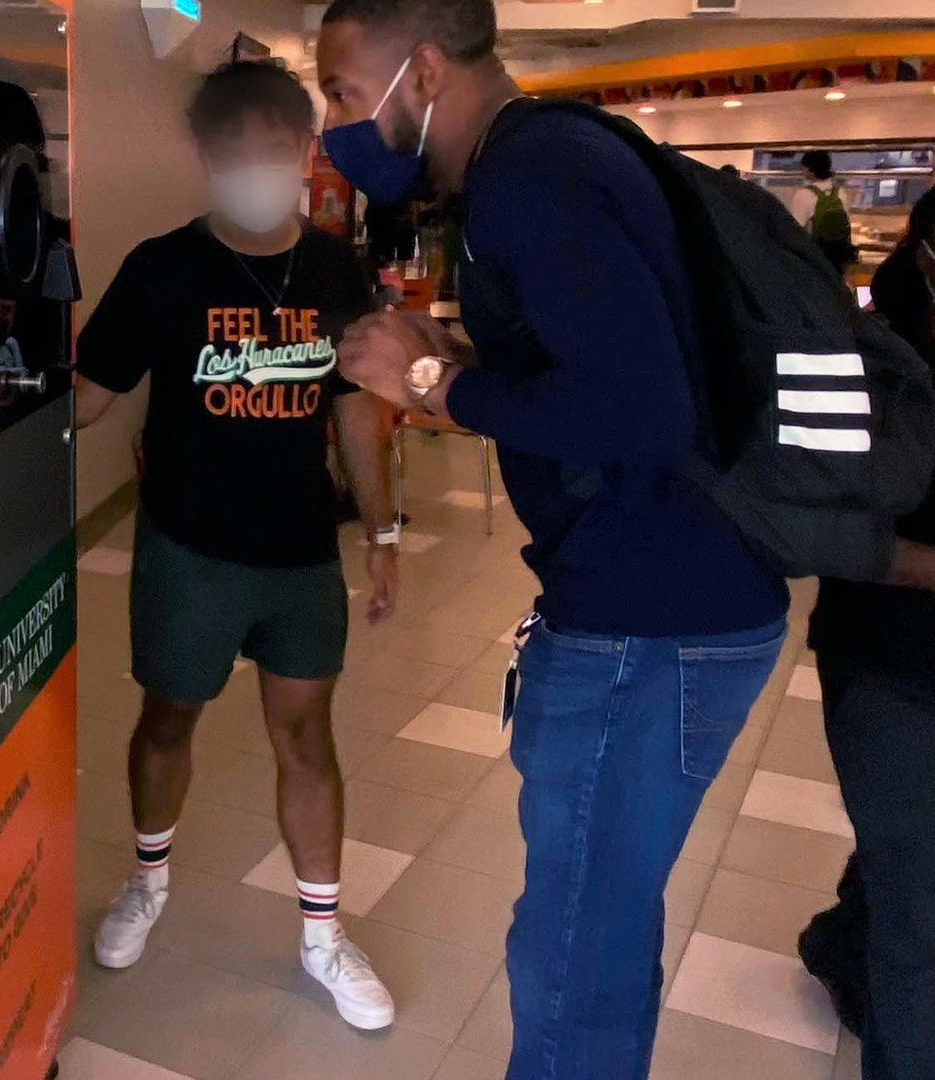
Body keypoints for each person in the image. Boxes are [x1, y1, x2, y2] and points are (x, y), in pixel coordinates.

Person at [315, 3, 789, 1077]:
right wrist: (470, 351)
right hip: (662, 603)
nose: (331, 122)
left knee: (576, 953)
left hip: (651, 624)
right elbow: (611, 359)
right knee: (595, 931)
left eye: (343, 93)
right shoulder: (547, 156)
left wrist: (431, 379)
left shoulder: (532, 179)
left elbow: (643, 413)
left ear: (422, 71)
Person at [72, 59, 400, 1031]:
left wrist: (381, 530)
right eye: (232, 152)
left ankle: (323, 938)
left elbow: (355, 417)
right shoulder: (162, 269)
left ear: (303, 151)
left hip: (300, 555)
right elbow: (88, 397)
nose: (254, 167)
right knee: (167, 722)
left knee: (307, 739)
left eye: (272, 149)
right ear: (205, 157)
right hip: (190, 550)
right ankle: (147, 881)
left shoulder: (337, 270)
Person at [798, 188, 935, 1080]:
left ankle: (844, 937)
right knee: (918, 919)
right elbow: (829, 532)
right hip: (892, 667)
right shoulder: (868, 362)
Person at [791, 149, 858, 272]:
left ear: (810, 170)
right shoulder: (840, 192)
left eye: (804, 168)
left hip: (817, 256)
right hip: (840, 256)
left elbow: (796, 229)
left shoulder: (804, 194)